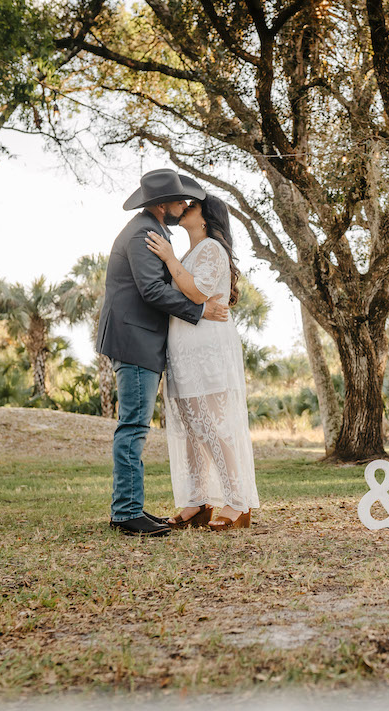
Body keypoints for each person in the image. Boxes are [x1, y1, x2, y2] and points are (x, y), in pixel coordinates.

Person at [97, 169, 230, 537]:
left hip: (140, 340)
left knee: (134, 425)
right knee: (133, 427)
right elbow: (152, 291)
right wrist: (201, 311)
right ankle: (126, 514)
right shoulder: (143, 234)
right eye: (179, 199)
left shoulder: (152, 231)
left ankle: (129, 507)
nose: (185, 204)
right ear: (161, 204)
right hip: (134, 340)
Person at [145, 192, 259, 531]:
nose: (183, 207)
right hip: (183, 348)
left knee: (214, 425)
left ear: (206, 217)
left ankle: (238, 502)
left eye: (191, 205)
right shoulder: (190, 253)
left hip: (207, 348)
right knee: (192, 428)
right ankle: (197, 501)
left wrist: (168, 259)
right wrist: (174, 259)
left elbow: (197, 293)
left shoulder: (212, 249)